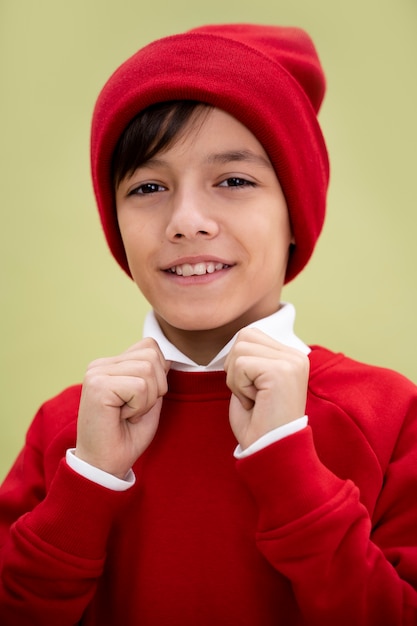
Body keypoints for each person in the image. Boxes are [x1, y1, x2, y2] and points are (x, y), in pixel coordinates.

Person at [0, 23, 416, 626]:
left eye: (234, 181)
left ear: (295, 212)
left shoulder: (389, 415)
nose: (186, 220)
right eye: (148, 186)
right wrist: (87, 482)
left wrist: (287, 464)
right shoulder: (68, 432)